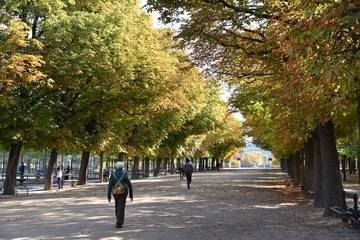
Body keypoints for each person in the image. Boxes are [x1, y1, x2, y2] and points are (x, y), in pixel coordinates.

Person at [107, 162, 133, 228]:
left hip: (115, 192)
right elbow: (129, 184)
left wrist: (109, 196)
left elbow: (110, 185)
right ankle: (119, 222)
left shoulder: (113, 175)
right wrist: (131, 195)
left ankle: (118, 220)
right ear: (122, 167)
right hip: (123, 192)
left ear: (116, 167)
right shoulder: (125, 174)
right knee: (121, 206)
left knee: (117, 205)